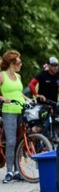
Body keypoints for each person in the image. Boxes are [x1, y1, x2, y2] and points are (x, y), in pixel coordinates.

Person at [0, 51, 28, 183]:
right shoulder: (2, 76)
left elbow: (19, 93)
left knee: (20, 141)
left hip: (21, 110)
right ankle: (9, 172)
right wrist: (2, 98)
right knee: (10, 141)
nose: (21, 64)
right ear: (12, 63)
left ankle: (18, 171)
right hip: (9, 111)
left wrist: (29, 100)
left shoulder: (18, 76)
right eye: (19, 62)